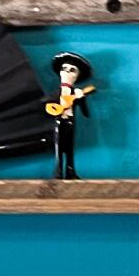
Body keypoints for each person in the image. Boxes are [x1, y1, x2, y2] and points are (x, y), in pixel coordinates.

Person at [44, 52, 95, 180]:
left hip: (71, 122)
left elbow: (86, 113)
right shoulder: (56, 92)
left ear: (77, 76)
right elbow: (45, 104)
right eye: (64, 69)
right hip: (59, 121)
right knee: (58, 148)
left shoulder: (76, 93)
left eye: (72, 70)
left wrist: (81, 99)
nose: (67, 72)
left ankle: (70, 170)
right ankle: (58, 171)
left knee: (69, 149)